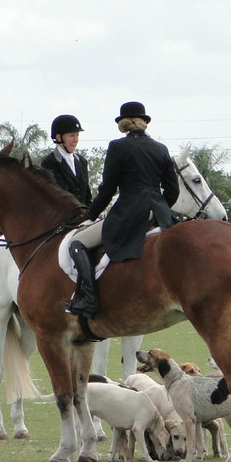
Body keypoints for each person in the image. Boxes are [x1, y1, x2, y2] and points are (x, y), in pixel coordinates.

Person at [64, 101, 180, 319]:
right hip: (160, 214)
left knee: (77, 243)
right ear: (144, 123)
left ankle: (88, 299)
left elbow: (107, 190)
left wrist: (89, 215)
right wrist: (158, 209)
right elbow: (172, 191)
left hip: (129, 212)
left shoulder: (118, 147)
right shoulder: (161, 148)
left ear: (124, 124)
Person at [40, 114, 92, 206]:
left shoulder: (82, 161)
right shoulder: (49, 162)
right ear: (59, 138)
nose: (76, 140)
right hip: (63, 217)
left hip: (84, 216)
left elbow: (87, 197)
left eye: (77, 135)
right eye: (72, 135)